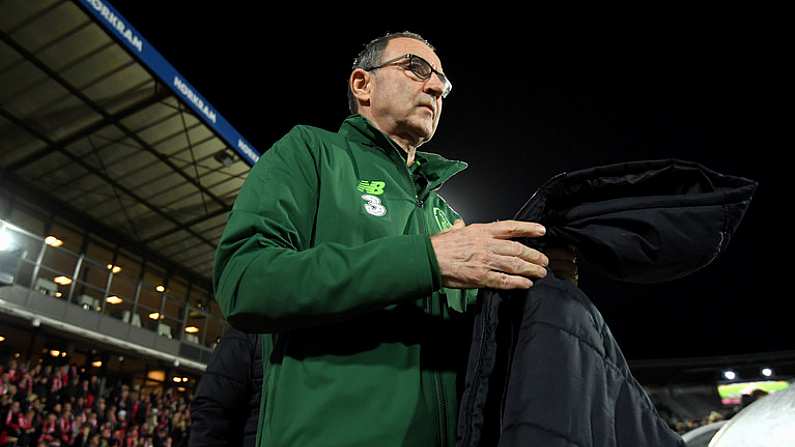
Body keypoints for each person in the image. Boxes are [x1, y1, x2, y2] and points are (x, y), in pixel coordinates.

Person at [213, 31, 569, 446]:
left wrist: (542, 288)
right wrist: (426, 260)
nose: (436, 87)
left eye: (443, 83)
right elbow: (245, 281)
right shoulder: (310, 153)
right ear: (363, 84)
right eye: (416, 69)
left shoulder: (447, 217)